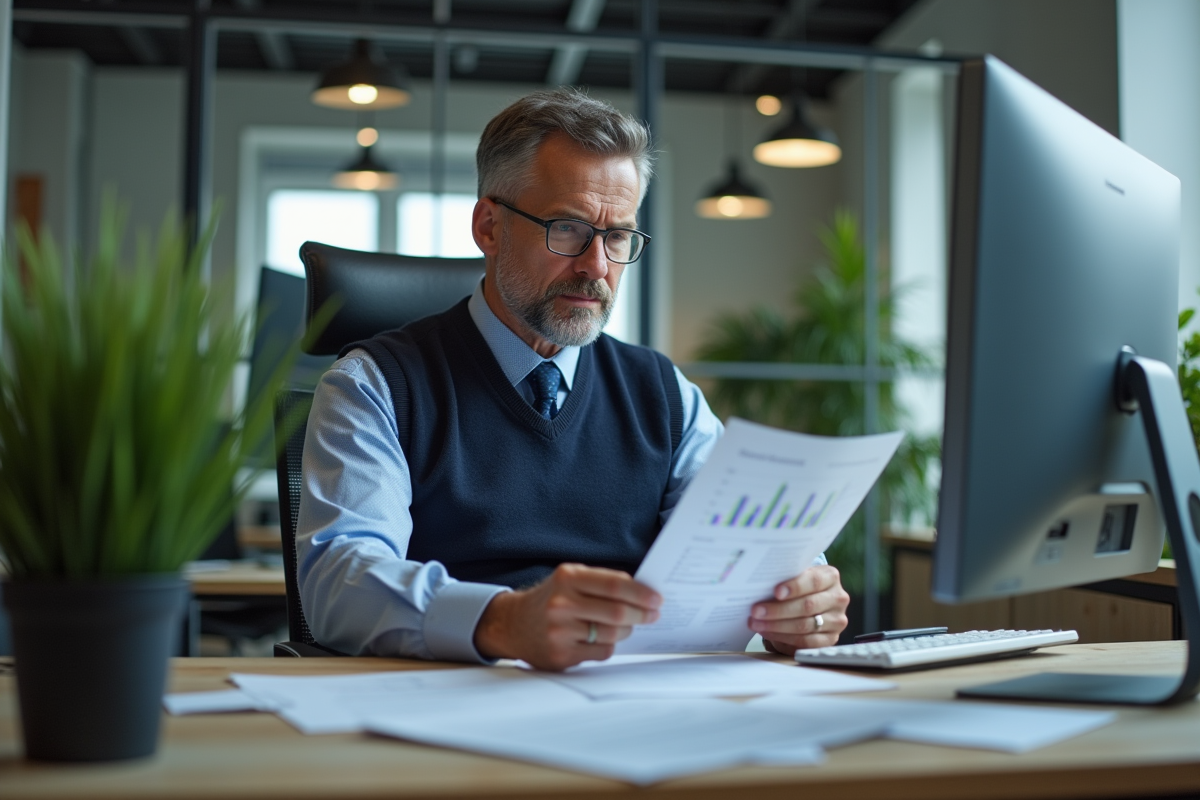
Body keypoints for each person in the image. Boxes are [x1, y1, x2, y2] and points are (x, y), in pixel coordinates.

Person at [296, 88, 850, 671]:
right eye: (567, 229)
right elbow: (339, 582)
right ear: (489, 226)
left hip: (637, 696)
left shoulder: (664, 395)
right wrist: (503, 621)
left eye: (618, 236)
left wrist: (797, 603)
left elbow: (745, 552)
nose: (597, 266)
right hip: (454, 696)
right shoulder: (376, 385)